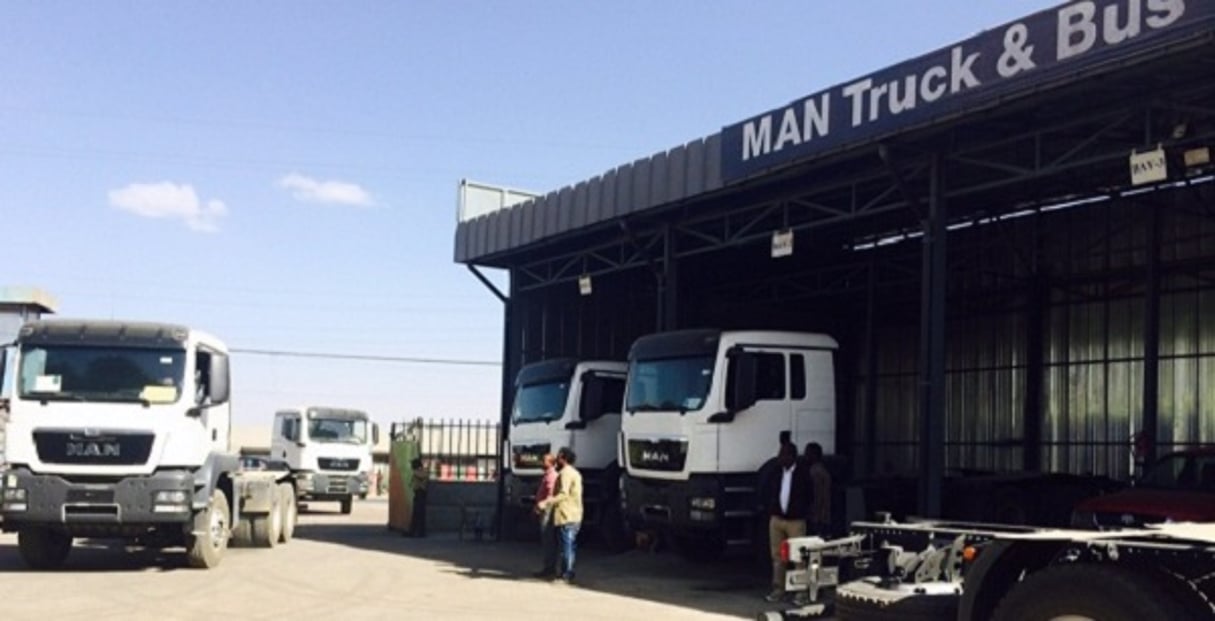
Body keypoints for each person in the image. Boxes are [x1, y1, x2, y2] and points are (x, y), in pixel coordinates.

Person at [763, 443, 811, 603]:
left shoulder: (803, 473)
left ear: (792, 456)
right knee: (777, 557)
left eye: (783, 455)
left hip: (795, 521)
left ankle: (801, 592)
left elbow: (810, 495)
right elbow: (768, 489)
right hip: (777, 519)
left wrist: (802, 511)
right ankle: (778, 589)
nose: (780, 458)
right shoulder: (775, 472)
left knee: (799, 558)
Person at [537, 447, 582, 583]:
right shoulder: (572, 472)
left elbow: (563, 493)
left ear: (563, 458)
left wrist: (545, 502)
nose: (557, 459)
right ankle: (565, 572)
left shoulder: (566, 474)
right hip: (573, 514)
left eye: (559, 456)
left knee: (566, 547)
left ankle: (566, 574)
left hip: (566, 514)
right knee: (568, 546)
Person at [533, 453, 560, 578]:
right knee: (547, 539)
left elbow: (550, 494)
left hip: (547, 510)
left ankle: (549, 568)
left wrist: (541, 505)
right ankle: (548, 567)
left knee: (548, 539)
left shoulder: (551, 476)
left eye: (544, 461)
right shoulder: (548, 475)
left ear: (551, 463)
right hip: (545, 508)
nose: (541, 463)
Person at [803, 442, 832, 538]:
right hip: (824, 515)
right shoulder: (823, 470)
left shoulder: (815, 472)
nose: (805, 455)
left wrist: (814, 514)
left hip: (818, 516)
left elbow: (817, 495)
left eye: (807, 453)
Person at [409, 458, 429, 537]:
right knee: (420, 514)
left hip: (420, 493)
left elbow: (414, 482)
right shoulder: (423, 472)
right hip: (421, 494)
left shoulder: (417, 473)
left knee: (417, 514)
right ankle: (419, 532)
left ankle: (415, 532)